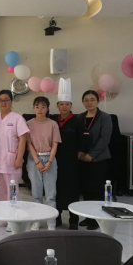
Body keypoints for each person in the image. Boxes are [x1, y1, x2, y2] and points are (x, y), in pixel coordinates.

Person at [0, 89, 29, 230]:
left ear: (11, 101)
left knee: (12, 191)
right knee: (1, 191)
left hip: (12, 161)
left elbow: (23, 139)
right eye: (0, 100)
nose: (3, 102)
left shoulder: (17, 118)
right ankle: (3, 218)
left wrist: (19, 158)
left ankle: (13, 219)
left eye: (6, 100)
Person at [51, 78, 84, 230]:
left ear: (71, 106)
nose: (64, 107)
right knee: (56, 189)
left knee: (72, 190)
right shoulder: (52, 120)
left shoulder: (77, 121)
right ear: (57, 106)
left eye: (67, 104)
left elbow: (84, 138)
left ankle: (73, 220)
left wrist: (81, 152)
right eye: (61, 104)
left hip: (71, 162)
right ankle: (56, 218)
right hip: (55, 160)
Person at [78, 90, 113, 230]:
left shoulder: (105, 117)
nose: (89, 102)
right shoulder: (80, 117)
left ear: (97, 101)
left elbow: (105, 138)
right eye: (86, 100)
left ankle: (96, 219)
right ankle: (88, 217)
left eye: (92, 99)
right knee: (86, 190)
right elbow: (78, 136)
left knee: (96, 190)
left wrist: (91, 154)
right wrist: (80, 152)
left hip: (98, 159)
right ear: (83, 102)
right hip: (82, 159)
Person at [26, 96, 61, 230]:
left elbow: (55, 144)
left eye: (43, 107)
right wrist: (37, 162)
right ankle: (37, 220)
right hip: (34, 159)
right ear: (33, 108)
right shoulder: (28, 124)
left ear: (47, 108)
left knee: (51, 195)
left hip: (49, 158)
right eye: (37, 107)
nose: (40, 110)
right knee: (36, 194)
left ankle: (51, 223)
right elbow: (29, 144)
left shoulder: (53, 124)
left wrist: (50, 162)